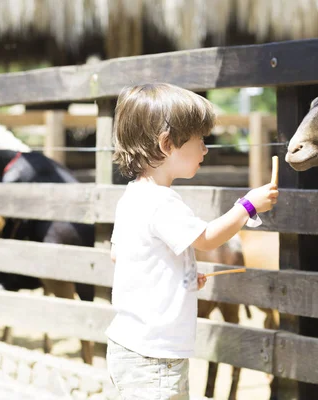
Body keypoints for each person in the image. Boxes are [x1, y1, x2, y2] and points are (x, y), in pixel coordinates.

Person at [106, 83, 278, 399]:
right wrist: (248, 206)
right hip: (156, 358)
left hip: (129, 347)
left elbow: (121, 256)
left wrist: (176, 278)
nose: (205, 149)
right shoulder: (162, 201)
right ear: (167, 143)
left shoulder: (132, 196)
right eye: (200, 140)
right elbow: (208, 239)